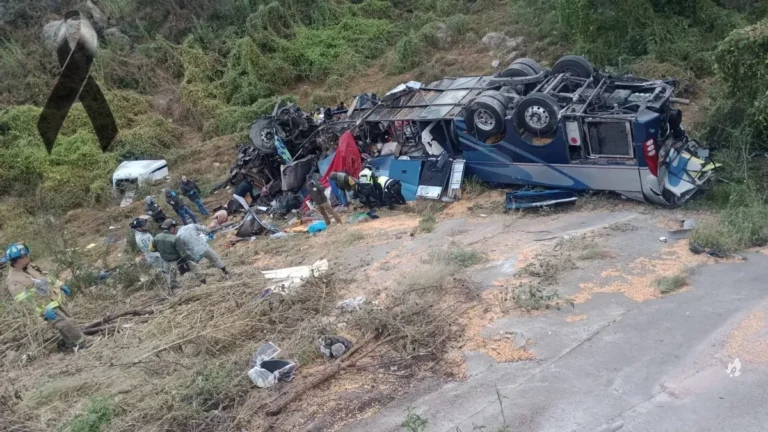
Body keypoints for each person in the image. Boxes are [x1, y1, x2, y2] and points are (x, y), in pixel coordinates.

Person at [3, 243, 87, 350]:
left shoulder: (31, 266)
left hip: (54, 300)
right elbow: (24, 301)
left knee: (68, 321)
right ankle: (83, 342)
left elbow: (47, 277)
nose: (28, 257)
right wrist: (43, 310)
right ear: (18, 260)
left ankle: (70, 344)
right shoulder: (13, 280)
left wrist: (60, 285)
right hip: (44, 308)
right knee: (65, 324)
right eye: (25, 256)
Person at [150, 219, 206, 290]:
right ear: (171, 228)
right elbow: (184, 254)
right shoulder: (175, 239)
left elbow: (151, 249)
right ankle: (204, 284)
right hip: (178, 261)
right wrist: (193, 259)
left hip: (166, 261)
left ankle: (174, 290)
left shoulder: (156, 237)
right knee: (195, 268)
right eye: (175, 227)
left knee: (171, 279)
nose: (176, 229)